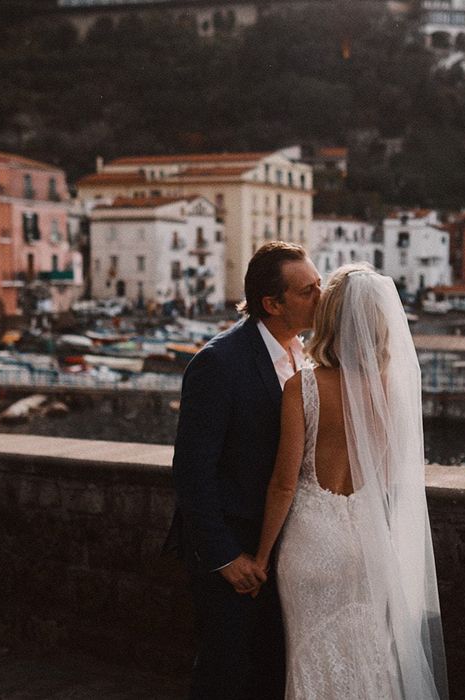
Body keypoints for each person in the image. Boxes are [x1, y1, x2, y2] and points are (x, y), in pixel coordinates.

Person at [254, 262, 449, 699]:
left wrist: (261, 556)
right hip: (367, 543)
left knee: (309, 658)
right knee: (369, 659)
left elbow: (285, 484)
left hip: (312, 544)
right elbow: (390, 480)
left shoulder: (303, 386)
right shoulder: (391, 392)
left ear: (329, 320)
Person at [168, 241, 321, 700]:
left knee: (270, 666)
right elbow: (192, 471)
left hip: (280, 544)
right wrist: (224, 558)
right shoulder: (219, 363)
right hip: (230, 548)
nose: (321, 297)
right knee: (224, 669)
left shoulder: (304, 352)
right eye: (308, 291)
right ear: (272, 303)